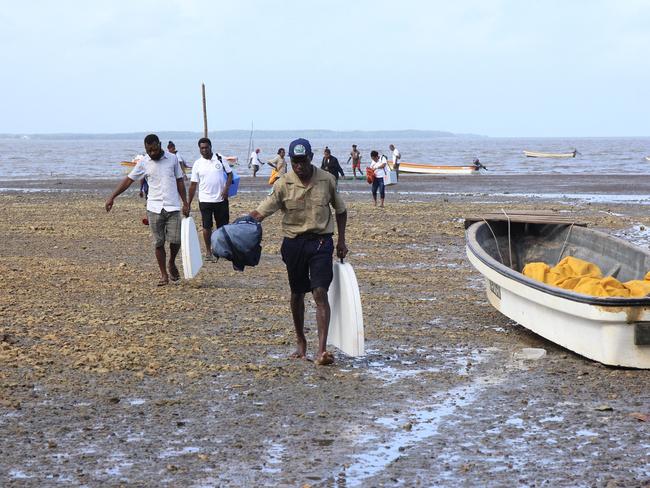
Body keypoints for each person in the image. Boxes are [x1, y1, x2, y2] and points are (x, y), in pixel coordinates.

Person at [249, 138, 348, 366]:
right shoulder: (283, 184)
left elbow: (341, 211)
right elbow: (263, 211)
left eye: (303, 161)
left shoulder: (327, 180)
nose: (299, 166)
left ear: (311, 158)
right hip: (293, 244)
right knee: (297, 293)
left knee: (320, 292)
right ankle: (301, 341)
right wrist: (239, 226)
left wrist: (341, 240)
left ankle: (322, 350)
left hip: (321, 242)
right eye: (295, 161)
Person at [105, 134, 189, 286]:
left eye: (154, 149)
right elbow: (128, 180)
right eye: (149, 150)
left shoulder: (173, 159)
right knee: (159, 242)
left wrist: (186, 202)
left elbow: (179, 181)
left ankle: (171, 262)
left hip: (173, 206)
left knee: (176, 240)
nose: (152, 153)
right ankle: (164, 275)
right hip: (154, 207)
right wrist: (112, 197)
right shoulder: (144, 162)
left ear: (160, 144)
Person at [188, 137, 233, 260]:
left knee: (222, 226)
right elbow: (193, 185)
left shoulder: (220, 159)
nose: (204, 150)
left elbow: (230, 174)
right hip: (205, 200)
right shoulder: (197, 164)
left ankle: (220, 249)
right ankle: (208, 252)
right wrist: (188, 203)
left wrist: (226, 189)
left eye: (206, 147)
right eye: (202, 148)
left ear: (210, 147)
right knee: (207, 227)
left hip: (221, 199)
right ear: (199, 149)